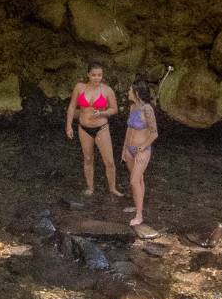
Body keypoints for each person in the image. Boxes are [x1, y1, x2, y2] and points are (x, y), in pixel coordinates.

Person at [65, 65, 123, 199]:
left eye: (99, 75)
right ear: (88, 75)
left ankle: (113, 188)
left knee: (109, 161)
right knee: (88, 158)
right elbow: (72, 107)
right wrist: (68, 126)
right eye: (94, 75)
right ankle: (90, 187)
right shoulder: (79, 87)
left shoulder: (107, 90)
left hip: (101, 128)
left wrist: (102, 113)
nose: (97, 78)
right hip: (84, 128)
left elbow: (114, 109)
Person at [121, 79, 160, 229]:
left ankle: (139, 215)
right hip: (129, 150)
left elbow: (154, 133)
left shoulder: (147, 109)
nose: (128, 92)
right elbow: (129, 129)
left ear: (136, 93)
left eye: (130, 90)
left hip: (142, 151)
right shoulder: (133, 107)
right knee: (139, 180)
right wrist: (124, 149)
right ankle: (138, 206)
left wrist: (142, 147)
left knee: (134, 181)